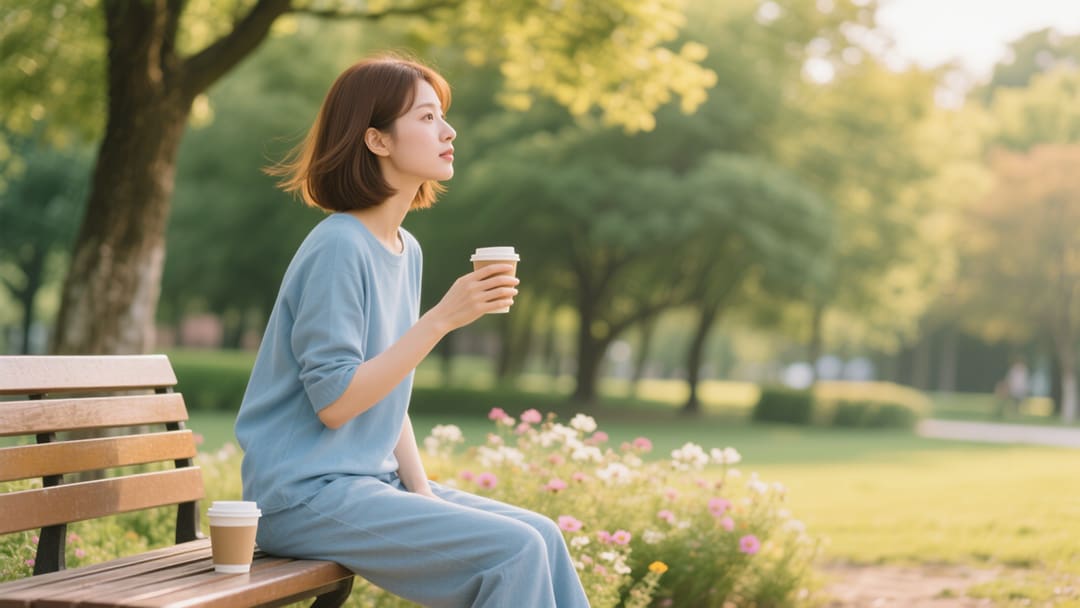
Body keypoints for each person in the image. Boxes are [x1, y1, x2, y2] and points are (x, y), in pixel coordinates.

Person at [234, 55, 589, 607]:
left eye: (441, 117)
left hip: (366, 486)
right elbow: (336, 402)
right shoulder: (338, 246)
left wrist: (423, 493)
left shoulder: (405, 249)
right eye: (426, 118)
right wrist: (442, 319)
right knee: (513, 550)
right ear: (377, 141)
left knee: (542, 534)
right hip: (302, 496)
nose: (448, 131)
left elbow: (388, 393)